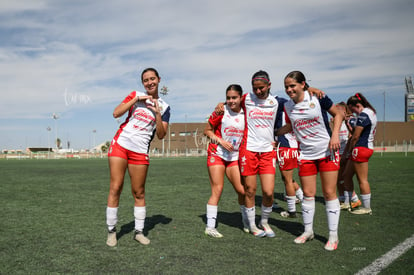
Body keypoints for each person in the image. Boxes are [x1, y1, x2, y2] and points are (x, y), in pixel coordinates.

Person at [277, 70, 342, 251]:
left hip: (327, 151)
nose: (289, 90)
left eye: (292, 86)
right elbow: (291, 125)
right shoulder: (288, 106)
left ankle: (333, 236)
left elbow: (338, 115)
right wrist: (275, 134)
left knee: (329, 193)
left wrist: (335, 135)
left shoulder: (318, 97)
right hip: (305, 154)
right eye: (286, 87)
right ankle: (308, 231)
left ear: (303, 84)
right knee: (308, 194)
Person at [105, 68, 171, 247]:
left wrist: (157, 112)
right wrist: (136, 99)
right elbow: (116, 113)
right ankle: (112, 231)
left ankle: (139, 232)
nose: (149, 82)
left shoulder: (165, 107)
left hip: (140, 151)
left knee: (139, 192)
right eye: (146, 80)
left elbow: (161, 134)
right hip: (121, 144)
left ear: (158, 80)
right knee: (116, 187)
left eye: (152, 79)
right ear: (143, 83)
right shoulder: (136, 95)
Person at [204, 84, 247, 238]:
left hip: (234, 157)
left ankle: (246, 220)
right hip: (217, 153)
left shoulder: (246, 112)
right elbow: (207, 130)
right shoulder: (221, 111)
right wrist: (220, 141)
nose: (230, 101)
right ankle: (210, 227)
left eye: (234, 97)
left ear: (241, 97)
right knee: (218, 189)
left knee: (242, 190)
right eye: (228, 98)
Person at [345, 93, 377, 215]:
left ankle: (366, 207)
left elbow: (356, 135)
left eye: (352, 109)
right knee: (346, 175)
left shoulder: (364, 114)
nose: (352, 112)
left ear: (357, 105)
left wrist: (350, 150)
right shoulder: (370, 112)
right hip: (363, 148)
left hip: (361, 148)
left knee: (362, 180)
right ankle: (348, 202)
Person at [274, 97, 303, 218]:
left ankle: (291, 211)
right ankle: (303, 199)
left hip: (284, 146)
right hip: (293, 146)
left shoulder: (279, 108)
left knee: (287, 180)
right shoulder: (291, 111)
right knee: (288, 178)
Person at [335, 102, 361, 210]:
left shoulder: (350, 121)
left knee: (345, 177)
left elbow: (352, 137)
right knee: (338, 178)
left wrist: (346, 153)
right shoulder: (335, 121)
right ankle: (343, 199)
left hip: (346, 153)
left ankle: (352, 200)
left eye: (339, 109)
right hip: (337, 153)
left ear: (345, 111)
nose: (336, 111)